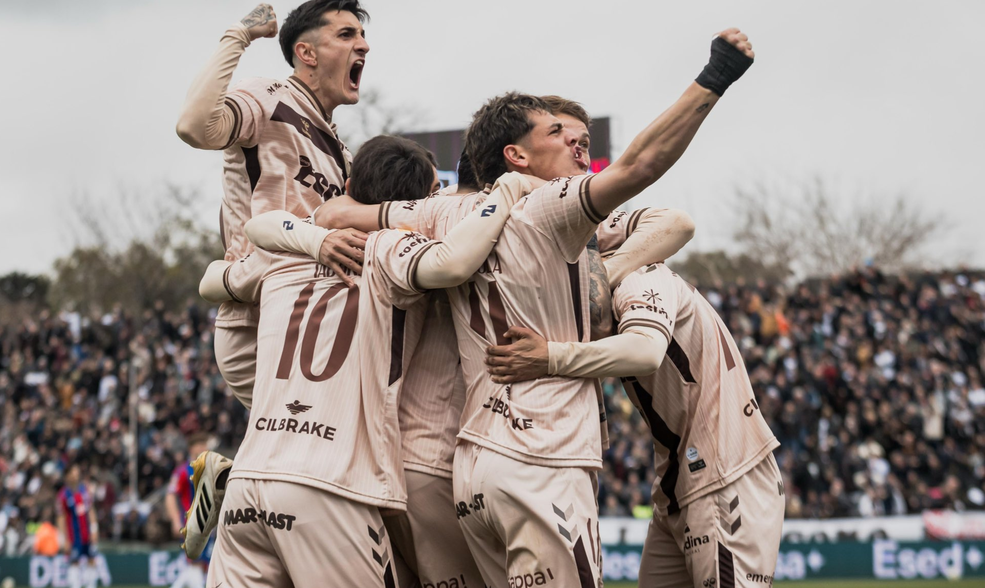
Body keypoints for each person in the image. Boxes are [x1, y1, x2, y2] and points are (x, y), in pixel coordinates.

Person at [313, 28, 755, 587]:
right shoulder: (550, 209)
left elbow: (358, 215)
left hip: (473, 469)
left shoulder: (441, 215)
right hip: (542, 456)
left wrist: (324, 218)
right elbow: (641, 168)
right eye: (559, 135)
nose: (579, 148)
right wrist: (715, 78)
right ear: (515, 157)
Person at [195, 135, 535, 588]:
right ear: (415, 207)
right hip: (330, 488)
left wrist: (313, 237)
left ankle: (230, 470)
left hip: (250, 482)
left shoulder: (285, 250)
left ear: (350, 183)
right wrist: (508, 192)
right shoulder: (389, 248)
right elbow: (453, 264)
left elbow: (217, 277)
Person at [174, 0, 372, 559]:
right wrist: (238, 36)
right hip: (259, 320)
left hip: (308, 320)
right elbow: (194, 125)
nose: (363, 45)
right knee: (328, 473)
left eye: (363, 35)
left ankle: (230, 478)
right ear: (306, 53)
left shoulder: (339, 147)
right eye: (346, 33)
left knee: (335, 457)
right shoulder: (271, 97)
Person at [483, 260, 784, 588]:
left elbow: (646, 352)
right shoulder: (617, 285)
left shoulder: (639, 281)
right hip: (676, 485)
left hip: (724, 477)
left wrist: (551, 357)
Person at [165, 435, 214, 588]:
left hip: (210, 526)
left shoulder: (212, 469)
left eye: (204, 444)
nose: (203, 448)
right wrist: (175, 520)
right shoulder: (183, 471)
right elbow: (170, 495)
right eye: (199, 444)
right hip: (192, 524)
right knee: (197, 564)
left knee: (203, 566)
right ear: (191, 448)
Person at [56, 464, 100, 588]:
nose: (77, 474)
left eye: (77, 471)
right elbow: (61, 517)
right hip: (73, 535)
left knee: (92, 559)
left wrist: (94, 529)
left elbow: (90, 510)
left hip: (87, 532)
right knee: (74, 562)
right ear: (68, 475)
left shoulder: (84, 490)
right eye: (74, 472)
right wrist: (63, 539)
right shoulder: (63, 495)